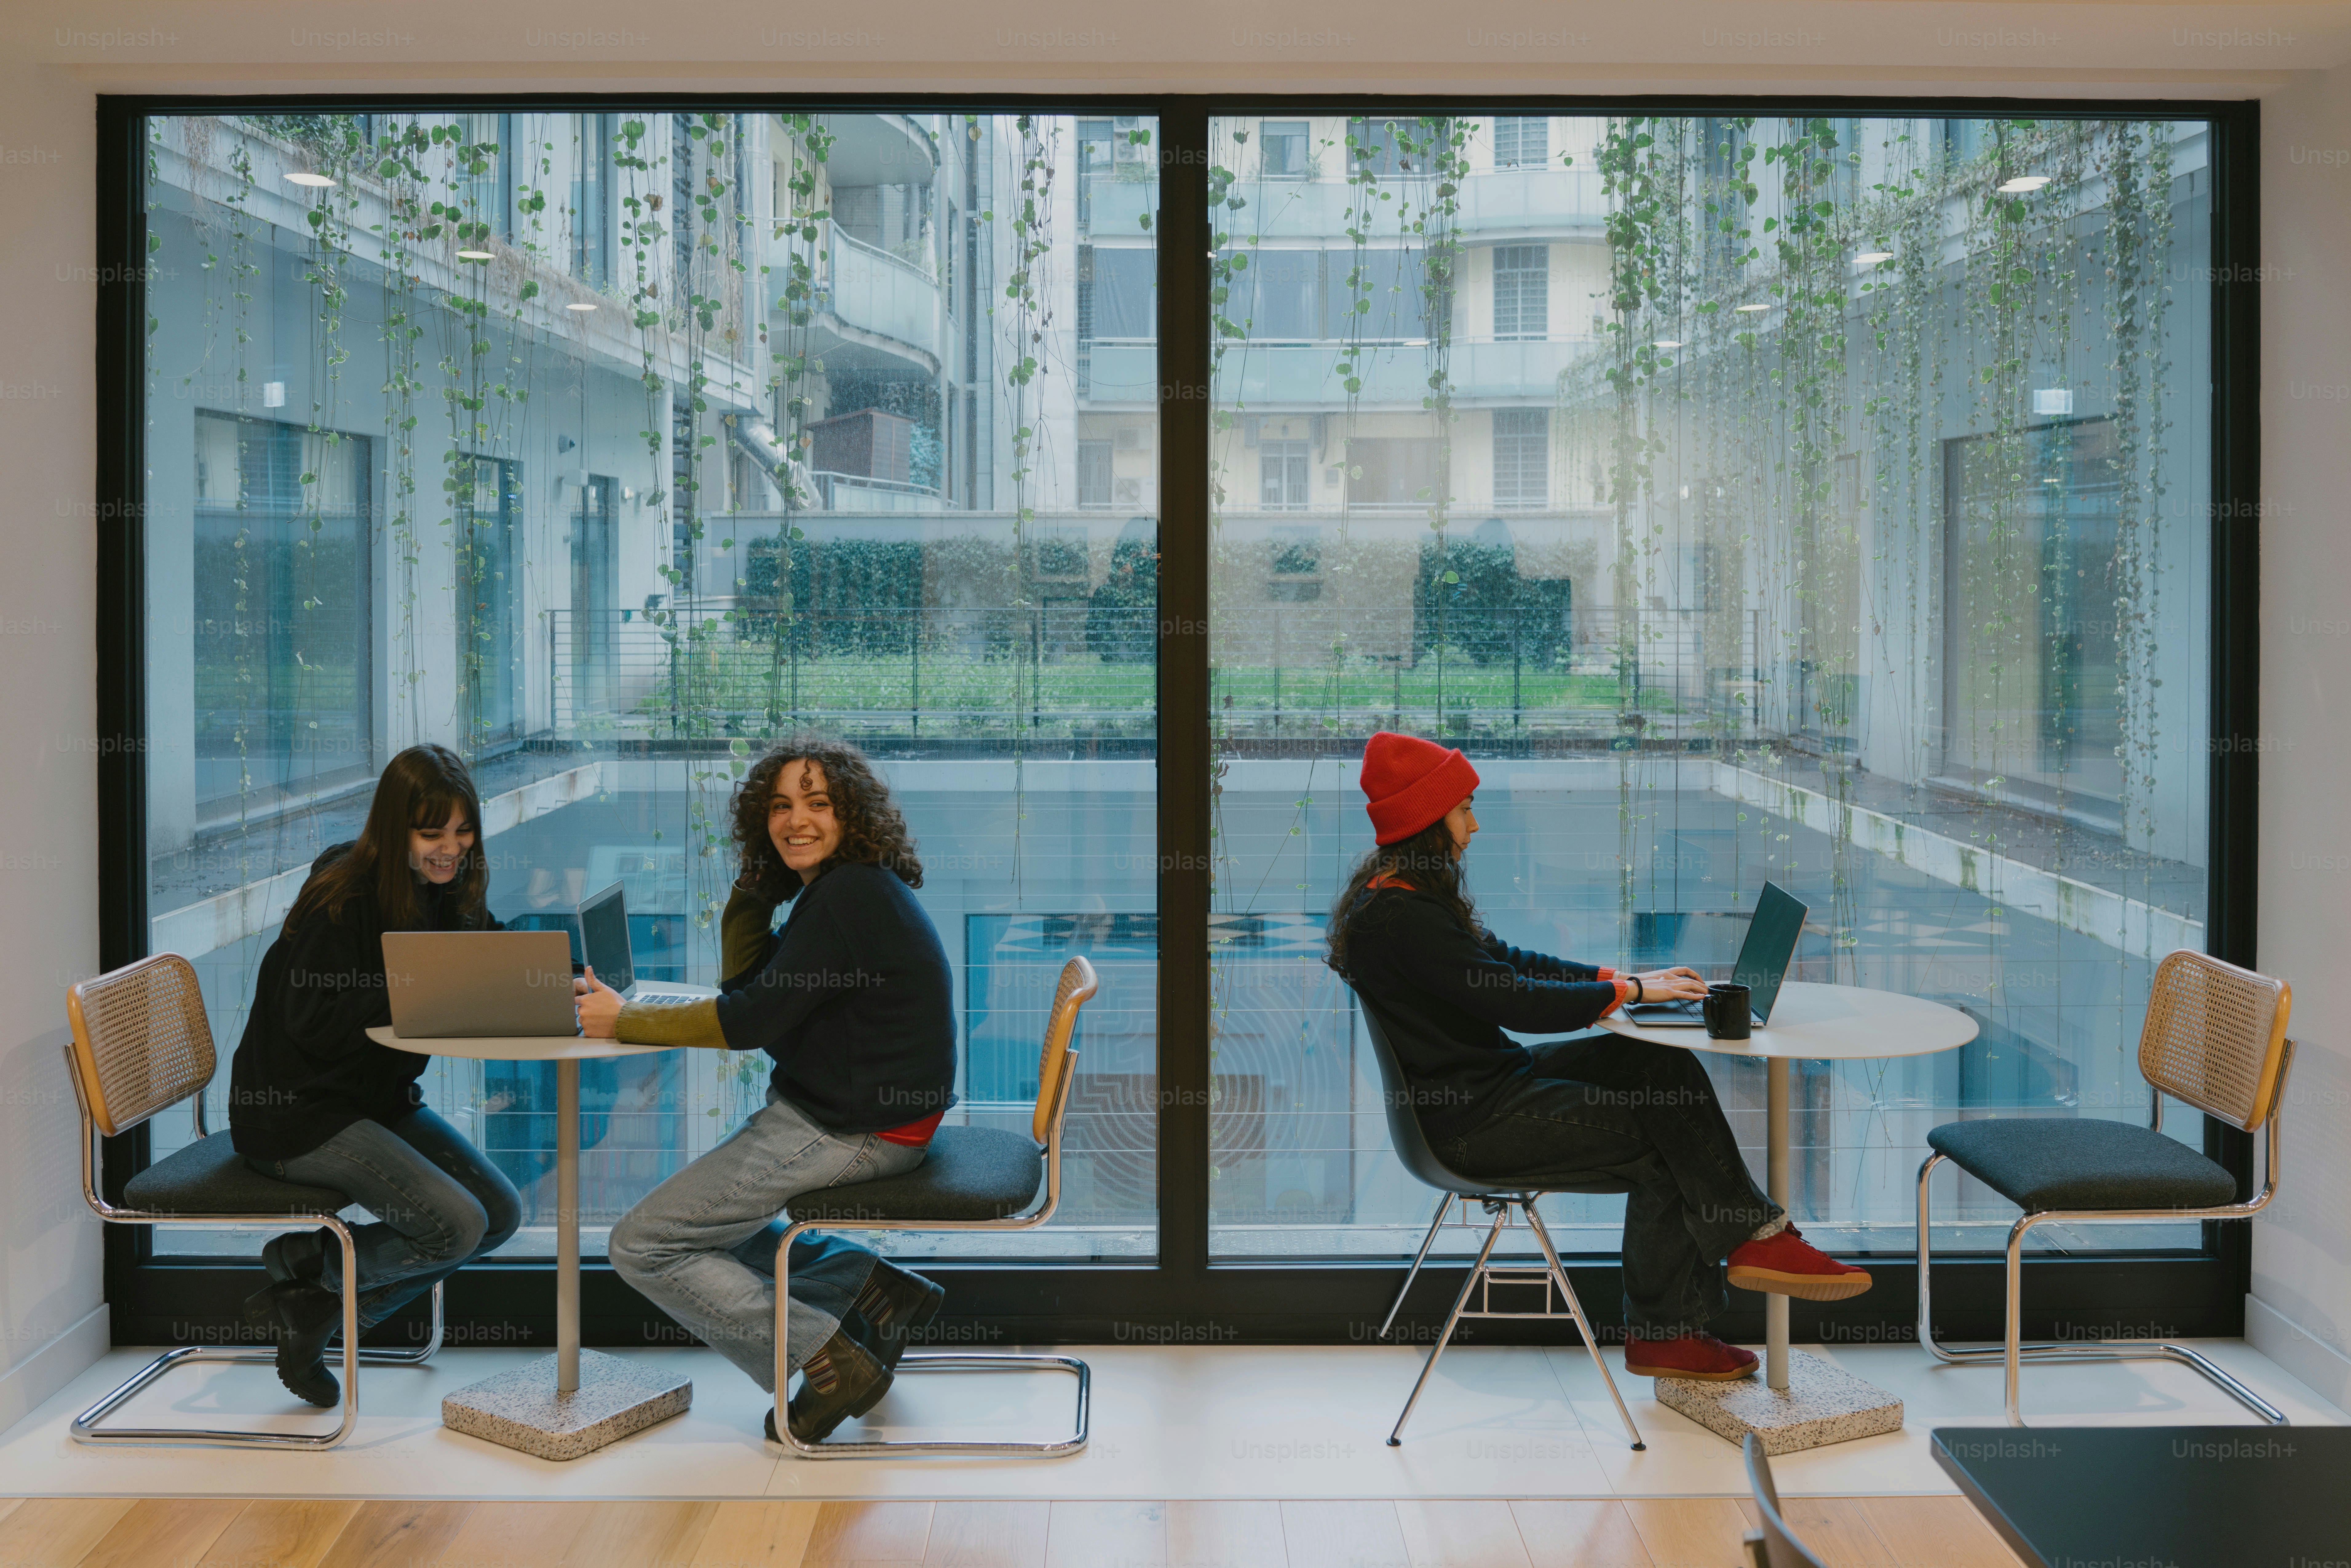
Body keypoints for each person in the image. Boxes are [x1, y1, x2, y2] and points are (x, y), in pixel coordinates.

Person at [1327, 731, 1870, 1382]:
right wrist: (1627, 992)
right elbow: (1518, 1002)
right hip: (1471, 1124)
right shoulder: (1401, 919)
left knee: (1659, 1069)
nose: (1474, 824)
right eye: (1464, 809)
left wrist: (1624, 979)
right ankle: (1669, 1328)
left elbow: (1514, 964)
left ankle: (1755, 1239)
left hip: (1491, 1086)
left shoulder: (1409, 898)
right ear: (1425, 821)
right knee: (1661, 1136)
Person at [585, 737, 954, 1444]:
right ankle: (863, 1286)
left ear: (854, 816)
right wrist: (755, 890)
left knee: (643, 1246)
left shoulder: (846, 898)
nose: (796, 821)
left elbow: (749, 1020)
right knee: (706, 1225)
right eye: (780, 807)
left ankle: (827, 1354)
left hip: (854, 1130)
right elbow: (752, 991)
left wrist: (624, 1019)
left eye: (818, 804)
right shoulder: (846, 890)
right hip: (870, 1118)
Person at [228, 744, 523, 1405]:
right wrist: (421, 985)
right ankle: (314, 1286)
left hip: (375, 1102)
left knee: (501, 1213)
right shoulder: (344, 895)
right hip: (298, 1116)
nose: (451, 847)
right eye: (432, 833)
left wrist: (550, 973)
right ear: (395, 829)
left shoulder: (444, 889)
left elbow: (486, 953)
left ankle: (313, 1301)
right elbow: (318, 1026)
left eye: (463, 830)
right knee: (456, 1226)